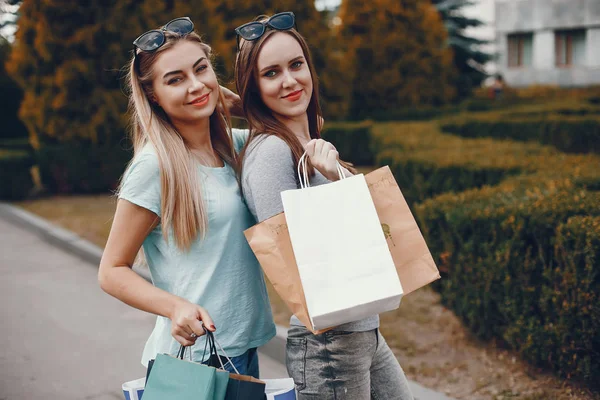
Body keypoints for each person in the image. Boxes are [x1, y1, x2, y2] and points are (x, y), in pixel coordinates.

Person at [234, 12, 414, 399]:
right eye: (271, 73)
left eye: (296, 65)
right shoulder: (270, 152)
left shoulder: (307, 142)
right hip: (328, 342)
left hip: (361, 329)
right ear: (253, 86)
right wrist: (335, 181)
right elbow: (291, 258)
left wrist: (334, 175)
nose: (289, 80)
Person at [98, 17, 275, 378]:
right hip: (193, 362)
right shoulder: (154, 167)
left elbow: (310, 123)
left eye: (201, 70)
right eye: (175, 79)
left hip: (242, 351)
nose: (195, 85)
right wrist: (174, 306)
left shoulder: (234, 147)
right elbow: (111, 271)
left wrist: (240, 106)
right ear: (153, 95)